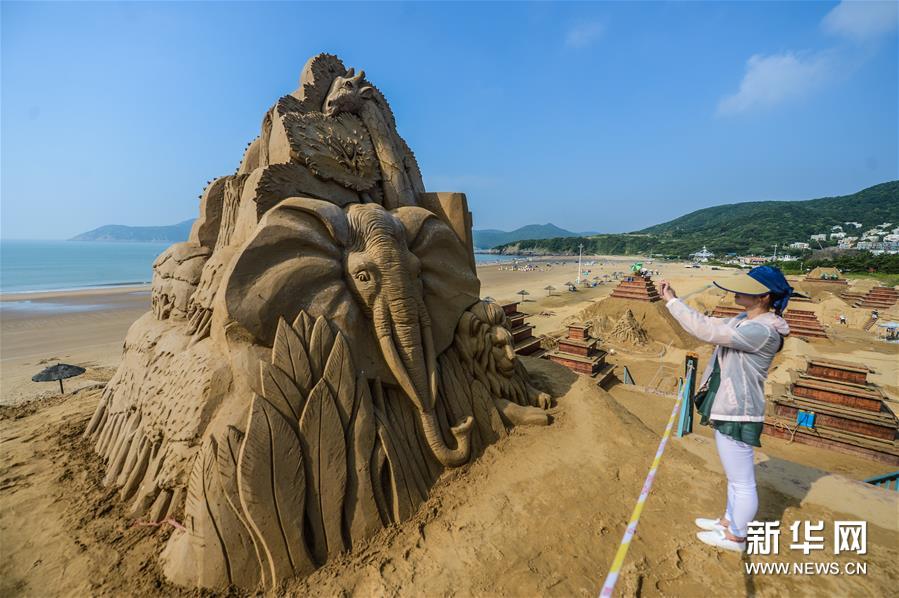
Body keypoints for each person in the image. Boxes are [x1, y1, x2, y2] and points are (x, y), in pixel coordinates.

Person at [659, 266, 792, 552]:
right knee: (734, 478)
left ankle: (736, 537)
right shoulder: (745, 320)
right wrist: (676, 300)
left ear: (764, 296)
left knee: (742, 482)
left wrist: (671, 302)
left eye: (746, 288)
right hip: (729, 404)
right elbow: (710, 322)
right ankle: (728, 521)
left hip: (739, 410)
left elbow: (706, 331)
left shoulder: (761, 331)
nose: (737, 292)